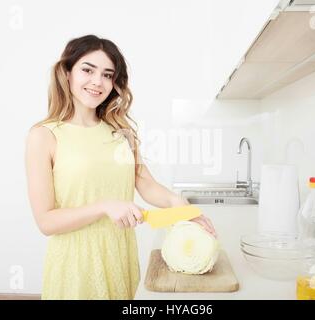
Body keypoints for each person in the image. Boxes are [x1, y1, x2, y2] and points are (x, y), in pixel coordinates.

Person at [24, 34, 216, 300]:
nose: (97, 82)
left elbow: (145, 183)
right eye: (87, 70)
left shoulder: (121, 132)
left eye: (107, 74)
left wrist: (179, 206)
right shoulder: (43, 136)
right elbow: (46, 221)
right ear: (67, 73)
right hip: (76, 264)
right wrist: (104, 206)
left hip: (120, 254)